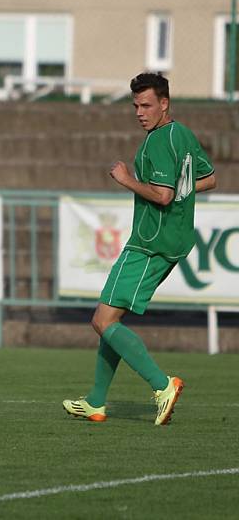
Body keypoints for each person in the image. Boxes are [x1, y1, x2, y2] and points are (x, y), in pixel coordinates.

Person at [62, 72, 217, 426]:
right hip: (172, 240)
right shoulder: (183, 133)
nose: (140, 112)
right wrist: (181, 193)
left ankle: (163, 385)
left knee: (101, 320)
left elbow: (162, 195)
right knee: (110, 321)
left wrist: (126, 179)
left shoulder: (159, 141)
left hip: (150, 242)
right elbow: (209, 178)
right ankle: (97, 401)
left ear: (165, 103)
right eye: (135, 105)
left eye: (147, 105)